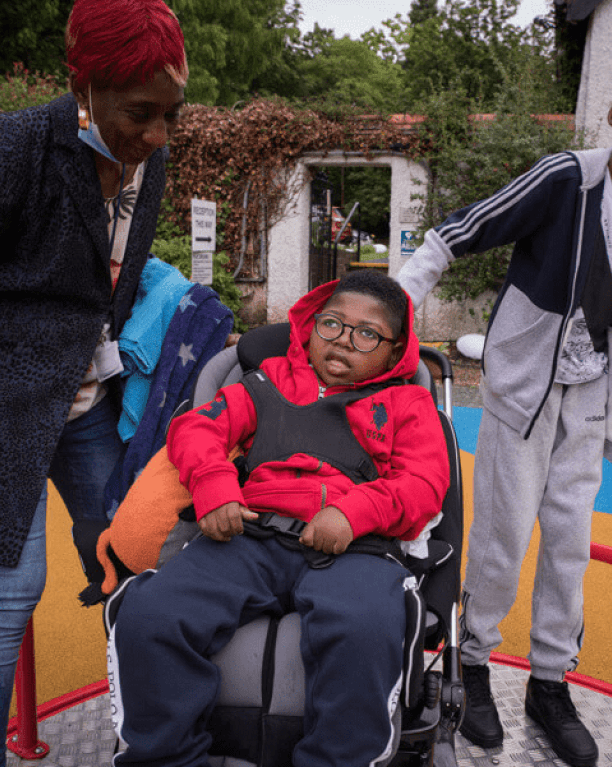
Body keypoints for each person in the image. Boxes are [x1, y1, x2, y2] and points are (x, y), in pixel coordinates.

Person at [396, 49, 612, 767]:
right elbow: (458, 231)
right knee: (503, 533)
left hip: (591, 390)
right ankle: (471, 663)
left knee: (568, 542)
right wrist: (393, 307)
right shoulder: (566, 177)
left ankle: (548, 680)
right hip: (525, 381)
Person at [107, 271, 451, 767]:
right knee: (149, 614)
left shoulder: (409, 403)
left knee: (365, 627)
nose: (343, 342)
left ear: (395, 352)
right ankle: (169, 758)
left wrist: (354, 513)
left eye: (367, 334)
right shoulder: (264, 383)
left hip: (356, 546)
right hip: (251, 532)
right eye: (332, 324)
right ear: (310, 327)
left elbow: (423, 485)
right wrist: (213, 483)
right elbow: (197, 429)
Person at [0, 1, 187, 763]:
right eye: (139, 113)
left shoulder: (148, 153)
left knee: (135, 548)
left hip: (86, 397)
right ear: (84, 86)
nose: (158, 136)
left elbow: (109, 279)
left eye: (171, 114)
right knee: (6, 592)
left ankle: (149, 728)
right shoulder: (7, 149)